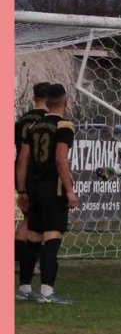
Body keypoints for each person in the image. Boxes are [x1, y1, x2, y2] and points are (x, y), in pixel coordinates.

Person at [15, 84, 77, 304]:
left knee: (33, 238)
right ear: (65, 102)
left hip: (33, 187)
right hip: (53, 189)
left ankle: (23, 289)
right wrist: (69, 190)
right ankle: (47, 293)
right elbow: (61, 158)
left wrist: (22, 190)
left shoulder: (33, 125)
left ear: (46, 102)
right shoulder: (64, 125)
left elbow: (23, 160)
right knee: (52, 238)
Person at [14, 82, 50, 301]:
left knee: (26, 220)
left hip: (20, 171)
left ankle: (19, 262)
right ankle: (32, 265)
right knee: (39, 224)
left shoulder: (22, 121)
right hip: (39, 176)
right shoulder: (47, 122)